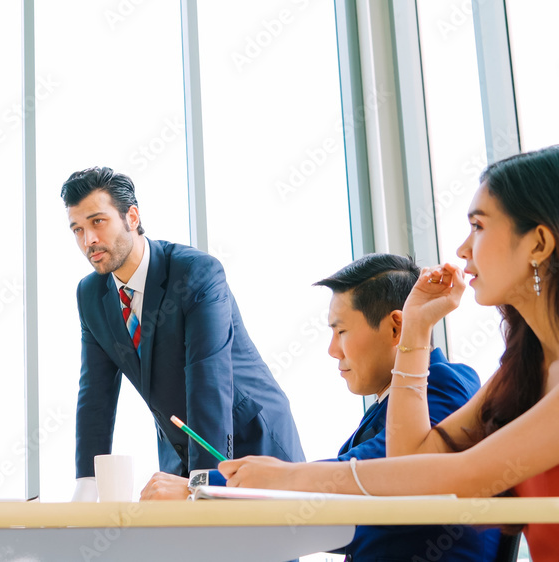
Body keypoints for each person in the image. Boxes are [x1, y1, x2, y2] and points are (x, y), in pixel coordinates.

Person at [218, 145, 559, 560]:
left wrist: (291, 476)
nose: (463, 249)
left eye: (479, 226)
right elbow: (414, 461)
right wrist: (416, 328)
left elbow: (463, 476)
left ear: (539, 242)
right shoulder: (525, 370)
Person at [144, 254, 500, 559]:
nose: (333, 349)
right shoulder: (386, 406)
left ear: (396, 329)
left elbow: (376, 472)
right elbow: (337, 519)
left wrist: (200, 492)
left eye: (341, 331)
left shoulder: (447, 384)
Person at [62, 166, 303, 500]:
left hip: (252, 446)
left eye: (97, 222)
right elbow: (95, 396)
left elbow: (209, 381)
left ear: (131, 217)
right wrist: (86, 485)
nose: (88, 240)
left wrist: (201, 486)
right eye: (77, 229)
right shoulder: (91, 294)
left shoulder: (195, 272)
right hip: (181, 453)